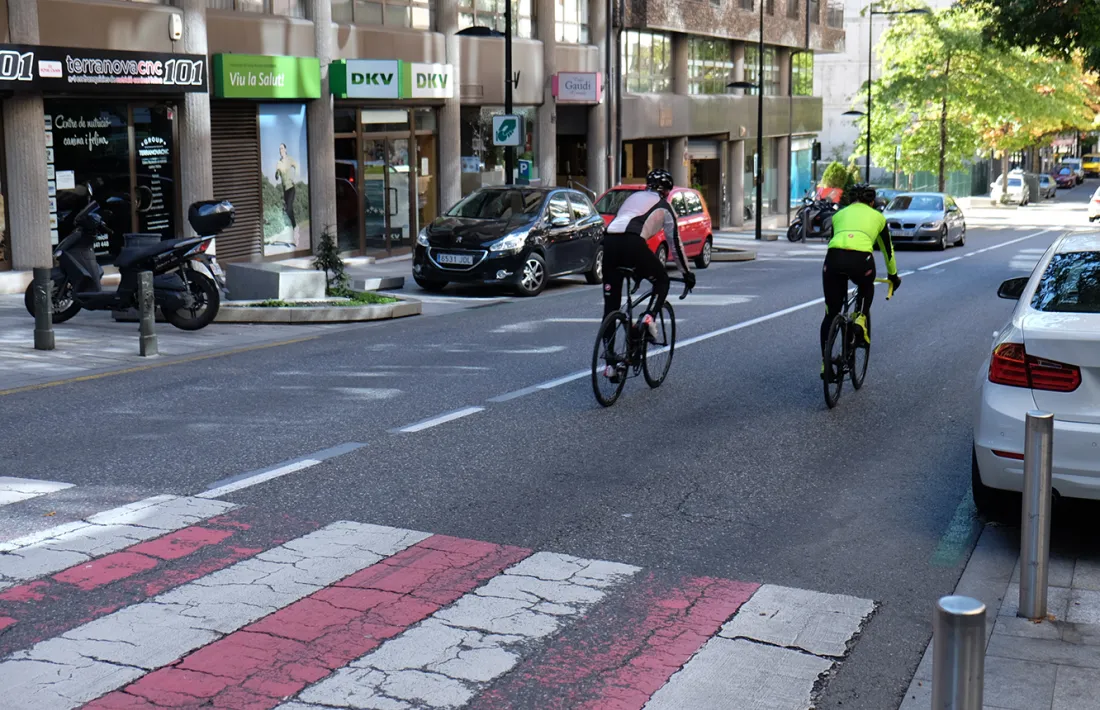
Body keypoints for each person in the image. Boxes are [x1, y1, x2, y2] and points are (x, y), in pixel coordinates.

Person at [602, 169, 695, 345]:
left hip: (609, 242)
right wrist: (686, 273)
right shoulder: (665, 207)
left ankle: (611, 365)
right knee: (662, 281)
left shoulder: (632, 198)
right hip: (633, 243)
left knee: (610, 308)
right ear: (667, 191)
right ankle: (648, 317)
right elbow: (674, 243)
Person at [820, 183, 901, 378]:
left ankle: (826, 366)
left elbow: (834, 241)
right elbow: (887, 250)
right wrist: (893, 276)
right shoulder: (879, 217)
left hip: (833, 260)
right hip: (861, 261)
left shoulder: (839, 215)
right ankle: (861, 318)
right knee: (866, 284)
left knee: (831, 313)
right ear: (872, 202)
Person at [275, 143, 300, 246]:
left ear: (285, 149)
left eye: (282, 148)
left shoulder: (289, 159)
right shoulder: (279, 162)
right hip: (285, 190)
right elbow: (276, 175)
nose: (280, 150)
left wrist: (296, 176)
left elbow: (296, 166)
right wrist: (276, 174)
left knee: (289, 208)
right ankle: (295, 229)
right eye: (279, 148)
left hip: (291, 188)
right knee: (288, 211)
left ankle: (295, 230)